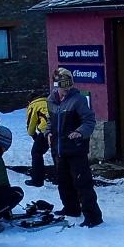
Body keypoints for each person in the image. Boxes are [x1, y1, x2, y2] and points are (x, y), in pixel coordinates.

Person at [46, 68, 103, 228]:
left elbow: (89, 121)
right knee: (63, 182)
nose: (67, 89)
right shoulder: (51, 100)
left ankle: (93, 216)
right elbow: (50, 120)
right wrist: (48, 132)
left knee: (82, 183)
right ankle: (71, 208)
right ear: (56, 85)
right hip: (59, 149)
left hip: (76, 150)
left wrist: (80, 132)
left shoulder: (78, 100)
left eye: (69, 85)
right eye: (63, 86)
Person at [25, 90, 52, 187]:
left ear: (29, 101)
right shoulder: (48, 101)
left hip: (46, 130)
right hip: (58, 129)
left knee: (36, 153)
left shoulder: (33, 105)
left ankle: (37, 180)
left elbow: (30, 125)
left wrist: (33, 135)